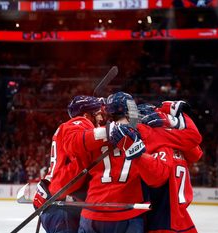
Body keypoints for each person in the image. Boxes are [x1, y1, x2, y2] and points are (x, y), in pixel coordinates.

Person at [77, 92, 202, 233]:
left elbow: (72, 147)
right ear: (132, 111)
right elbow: (194, 146)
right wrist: (166, 113)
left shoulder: (94, 135)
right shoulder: (149, 132)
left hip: (92, 210)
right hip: (132, 213)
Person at [33, 95, 110, 233]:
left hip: (57, 202)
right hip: (62, 207)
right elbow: (78, 144)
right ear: (87, 115)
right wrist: (109, 131)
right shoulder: (79, 122)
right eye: (98, 114)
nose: (101, 119)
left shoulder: (70, 127)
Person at [137, 101, 203, 233]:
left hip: (161, 217)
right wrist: (175, 115)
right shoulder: (180, 143)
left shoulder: (153, 136)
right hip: (182, 218)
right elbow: (196, 152)